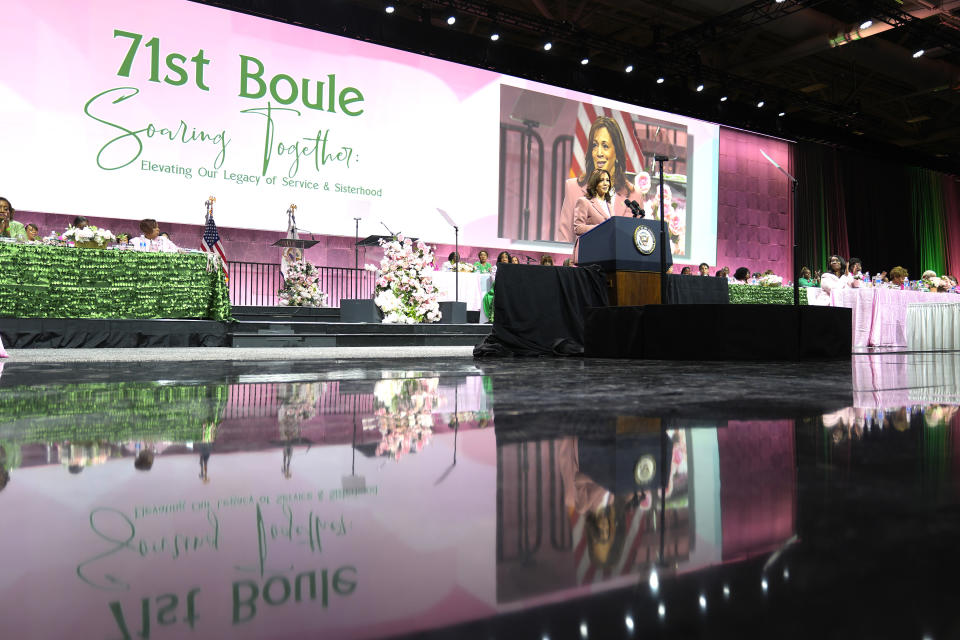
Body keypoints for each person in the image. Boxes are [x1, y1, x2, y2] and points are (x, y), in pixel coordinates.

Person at [557, 116, 645, 244]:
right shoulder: (573, 188)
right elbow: (564, 243)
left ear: (617, 152)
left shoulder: (634, 195)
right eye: (594, 145)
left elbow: (637, 245)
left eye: (605, 146)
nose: (598, 153)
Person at [572, 169, 615, 262]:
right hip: (589, 252)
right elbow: (578, 228)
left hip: (605, 253)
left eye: (607, 180)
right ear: (595, 183)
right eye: (601, 180)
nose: (605, 183)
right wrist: (600, 229)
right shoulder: (584, 201)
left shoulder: (609, 205)